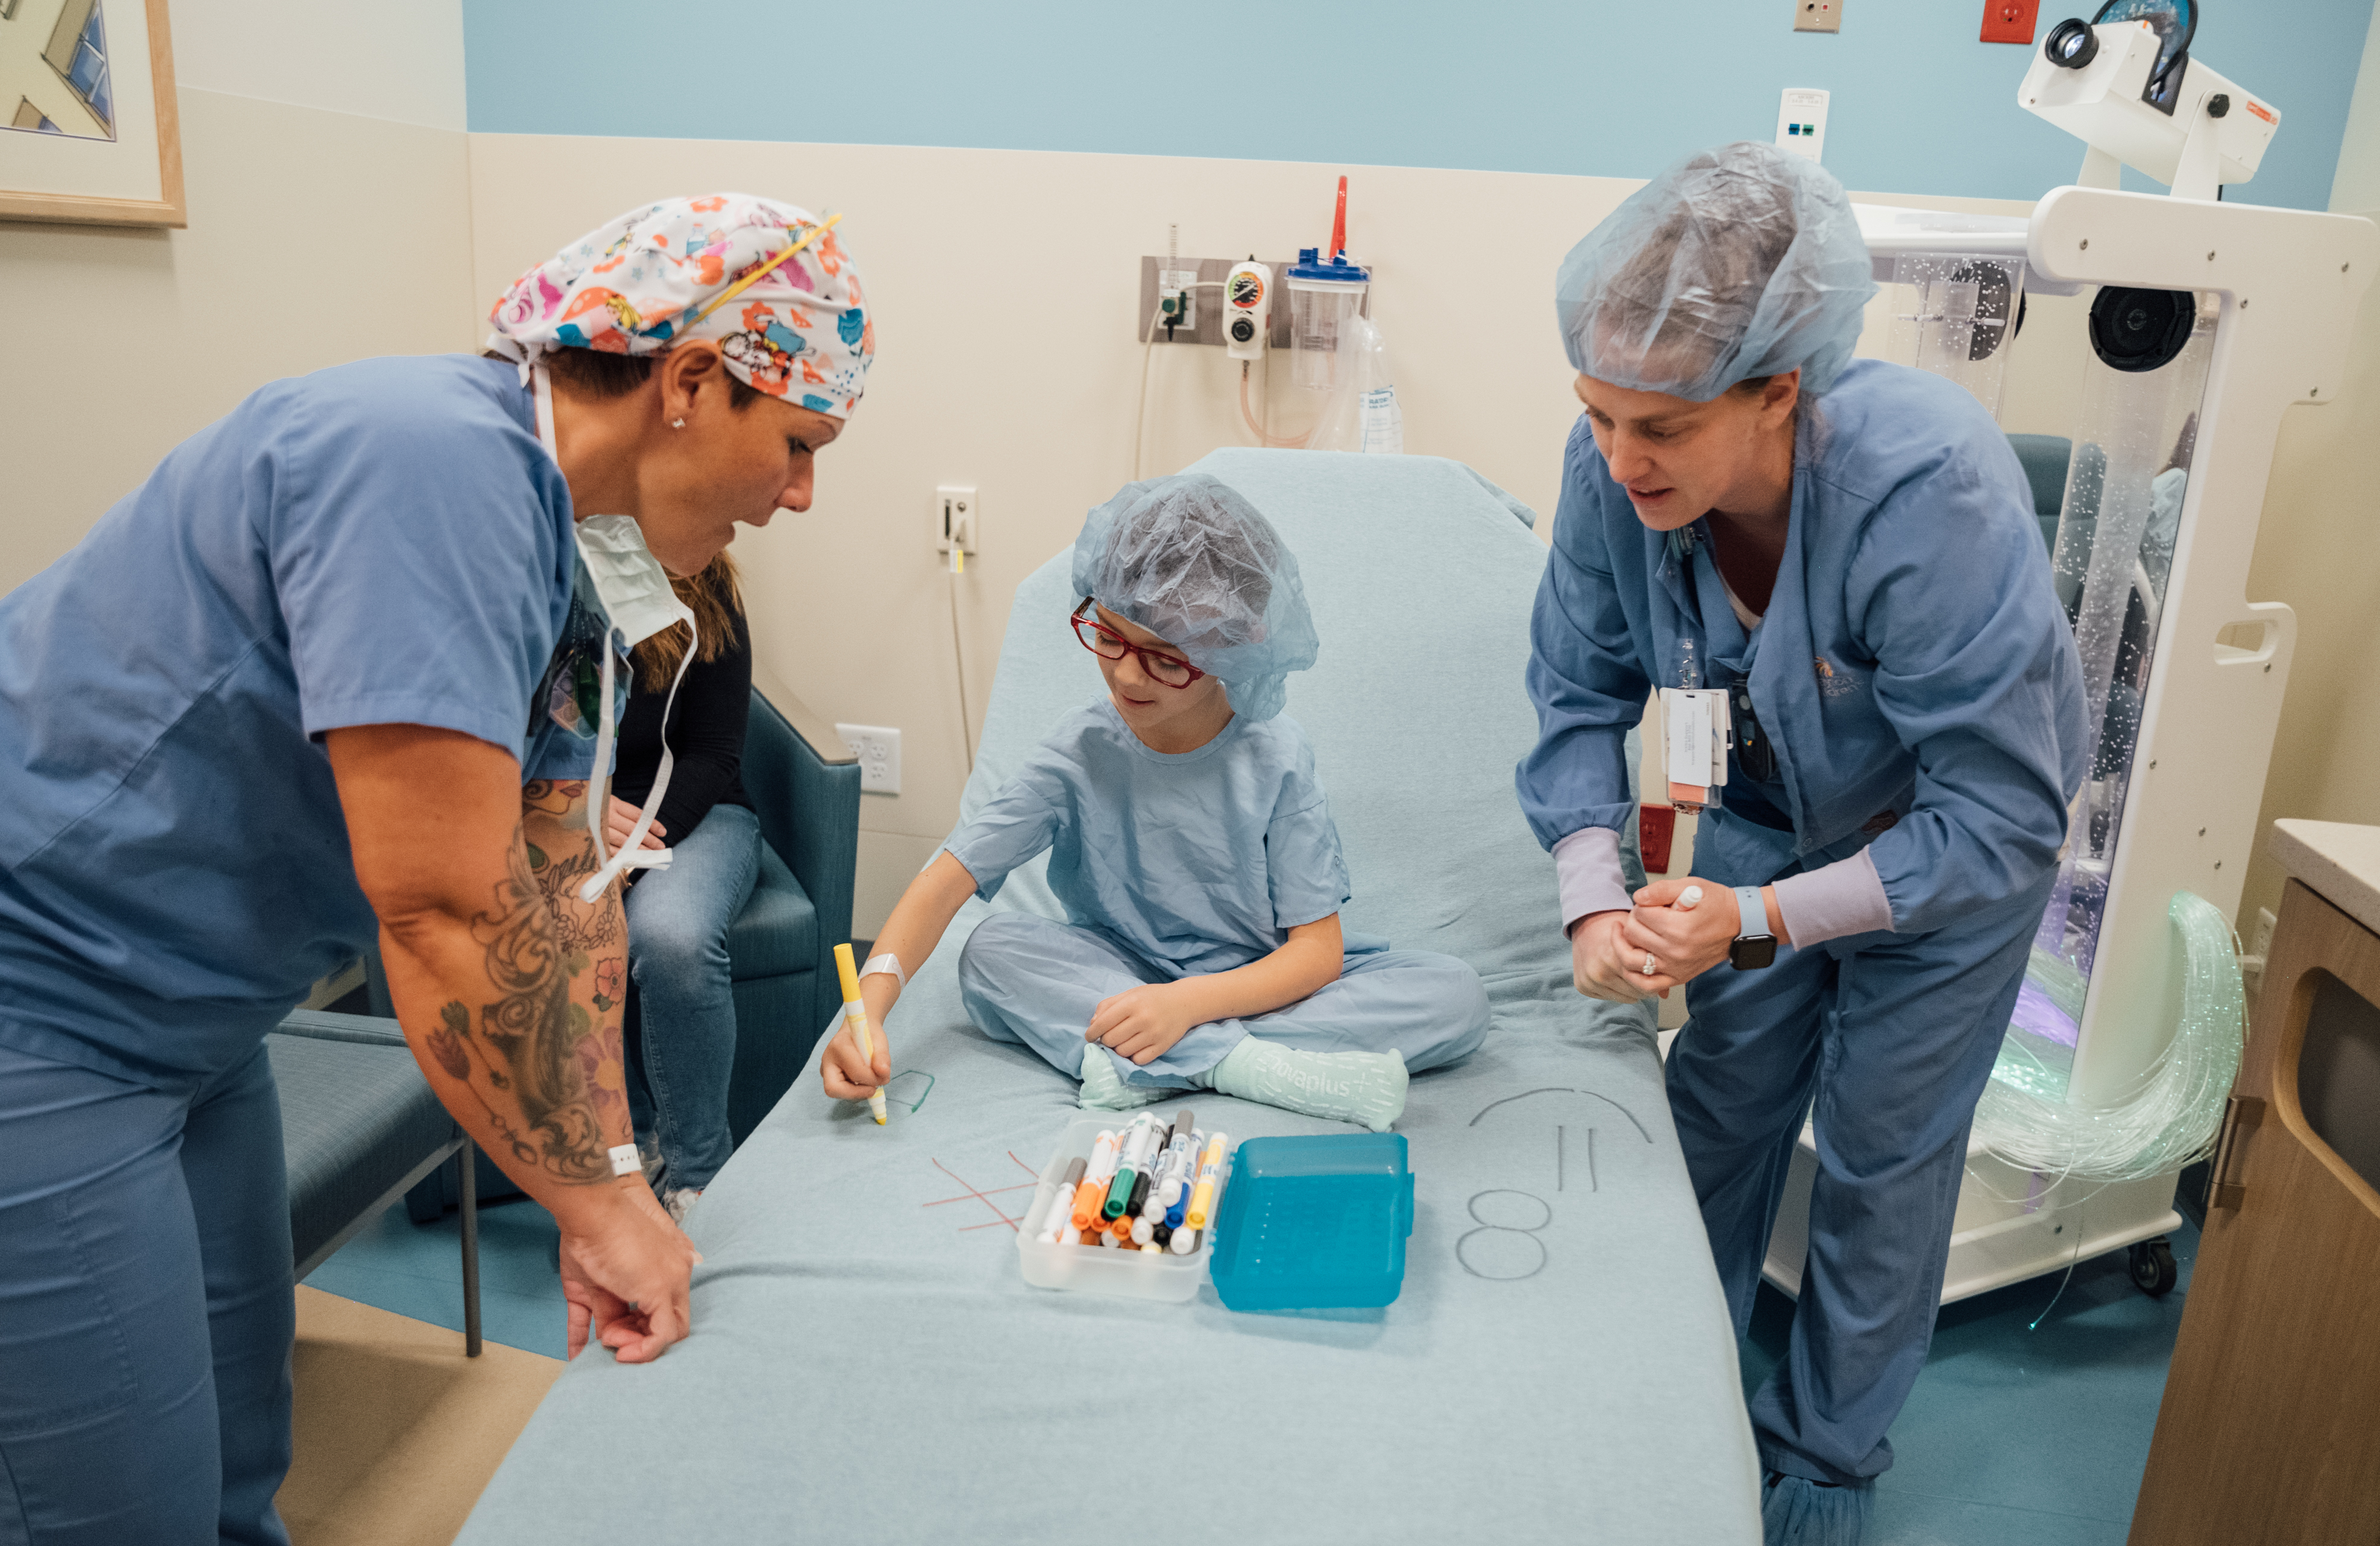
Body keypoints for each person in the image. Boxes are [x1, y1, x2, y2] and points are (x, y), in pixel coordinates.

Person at [0, 193, 871, 1542]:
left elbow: (561, 898)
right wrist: (600, 1206)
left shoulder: (564, 550)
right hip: (33, 1010)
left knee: (236, 1444)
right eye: (799, 443)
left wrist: (608, 1176)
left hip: (196, 1020)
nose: (800, 493)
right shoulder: (423, 466)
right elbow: (447, 914)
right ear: (691, 380)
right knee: (116, 1508)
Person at [1516, 144, 2085, 1545]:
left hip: (1944, 854)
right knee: (1717, 1102)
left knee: (1883, 1162)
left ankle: (1819, 1464)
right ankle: (1671, 1388)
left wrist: (1754, 919)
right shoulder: (1611, 474)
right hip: (1768, 816)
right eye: (1595, 417)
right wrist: (1594, 902)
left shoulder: (1924, 490)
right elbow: (1575, 691)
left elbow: (1998, 817)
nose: (1617, 459)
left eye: (1658, 428)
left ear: (1778, 392)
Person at [822, 475, 1489, 1131]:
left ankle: (1153, 1061)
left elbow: (1315, 954)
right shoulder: (1079, 750)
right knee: (991, 953)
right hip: (1120, 976)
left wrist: (1188, 1005)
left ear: (1239, 643)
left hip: (1256, 985)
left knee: (1455, 994)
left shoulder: (1275, 758)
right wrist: (871, 1010)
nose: (1125, 674)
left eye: (1166, 658)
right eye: (1108, 636)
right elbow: (945, 881)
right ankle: (1248, 1068)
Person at [604, 551, 762, 1226]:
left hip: (697, 812)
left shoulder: (705, 582)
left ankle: (699, 1177)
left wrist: (642, 837)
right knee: (570, 942)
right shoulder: (536, 577)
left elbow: (715, 752)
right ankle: (630, 1149)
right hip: (568, 818)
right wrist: (566, 818)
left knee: (671, 939)